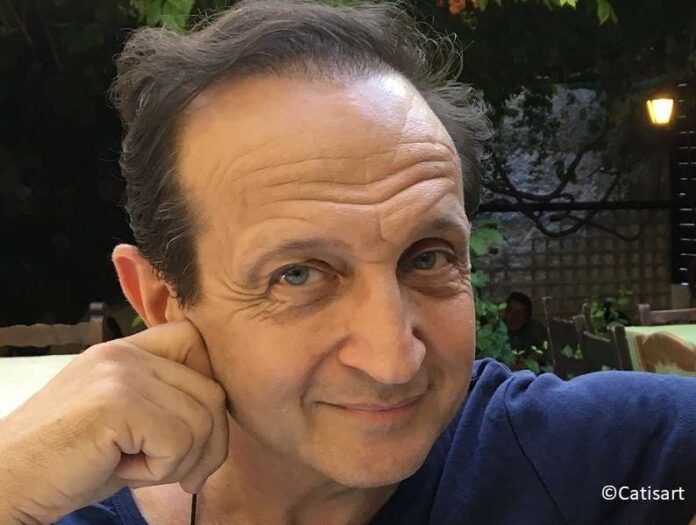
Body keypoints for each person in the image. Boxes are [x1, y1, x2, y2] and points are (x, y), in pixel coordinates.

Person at [0, 1, 694, 524]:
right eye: (297, 274)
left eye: (427, 257)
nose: (394, 360)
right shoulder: (43, 502)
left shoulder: (583, 468)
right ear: (161, 299)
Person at [502, 291, 548, 356]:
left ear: (527, 317)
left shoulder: (535, 329)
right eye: (510, 311)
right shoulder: (497, 329)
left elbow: (546, 351)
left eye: (519, 313)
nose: (513, 316)